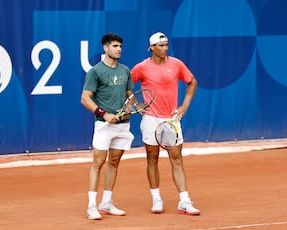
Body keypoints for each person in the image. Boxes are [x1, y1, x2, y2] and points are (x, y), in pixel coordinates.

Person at [131, 32, 200, 215]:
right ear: (152, 47)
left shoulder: (176, 64)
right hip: (151, 119)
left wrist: (184, 105)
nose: (164, 48)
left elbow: (192, 82)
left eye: (166, 45)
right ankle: (156, 199)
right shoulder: (142, 67)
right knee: (152, 158)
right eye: (160, 45)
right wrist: (137, 104)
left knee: (176, 159)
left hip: (171, 119)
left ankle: (184, 201)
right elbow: (126, 85)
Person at [81, 33, 134, 220]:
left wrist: (129, 109)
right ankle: (91, 206)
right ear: (105, 48)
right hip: (104, 125)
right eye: (115, 46)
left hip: (122, 125)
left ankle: (107, 202)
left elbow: (130, 96)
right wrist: (104, 114)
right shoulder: (95, 72)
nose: (119, 49)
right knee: (98, 163)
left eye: (120, 46)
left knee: (114, 162)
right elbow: (85, 98)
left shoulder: (125, 70)